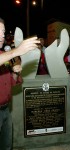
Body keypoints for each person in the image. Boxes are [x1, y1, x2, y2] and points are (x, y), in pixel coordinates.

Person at [0, 17, 40, 150]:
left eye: (3, 31)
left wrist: (15, 73)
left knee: (6, 145)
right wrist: (17, 51)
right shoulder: (7, 55)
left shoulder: (4, 55)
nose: (2, 36)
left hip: (5, 110)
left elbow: (9, 82)